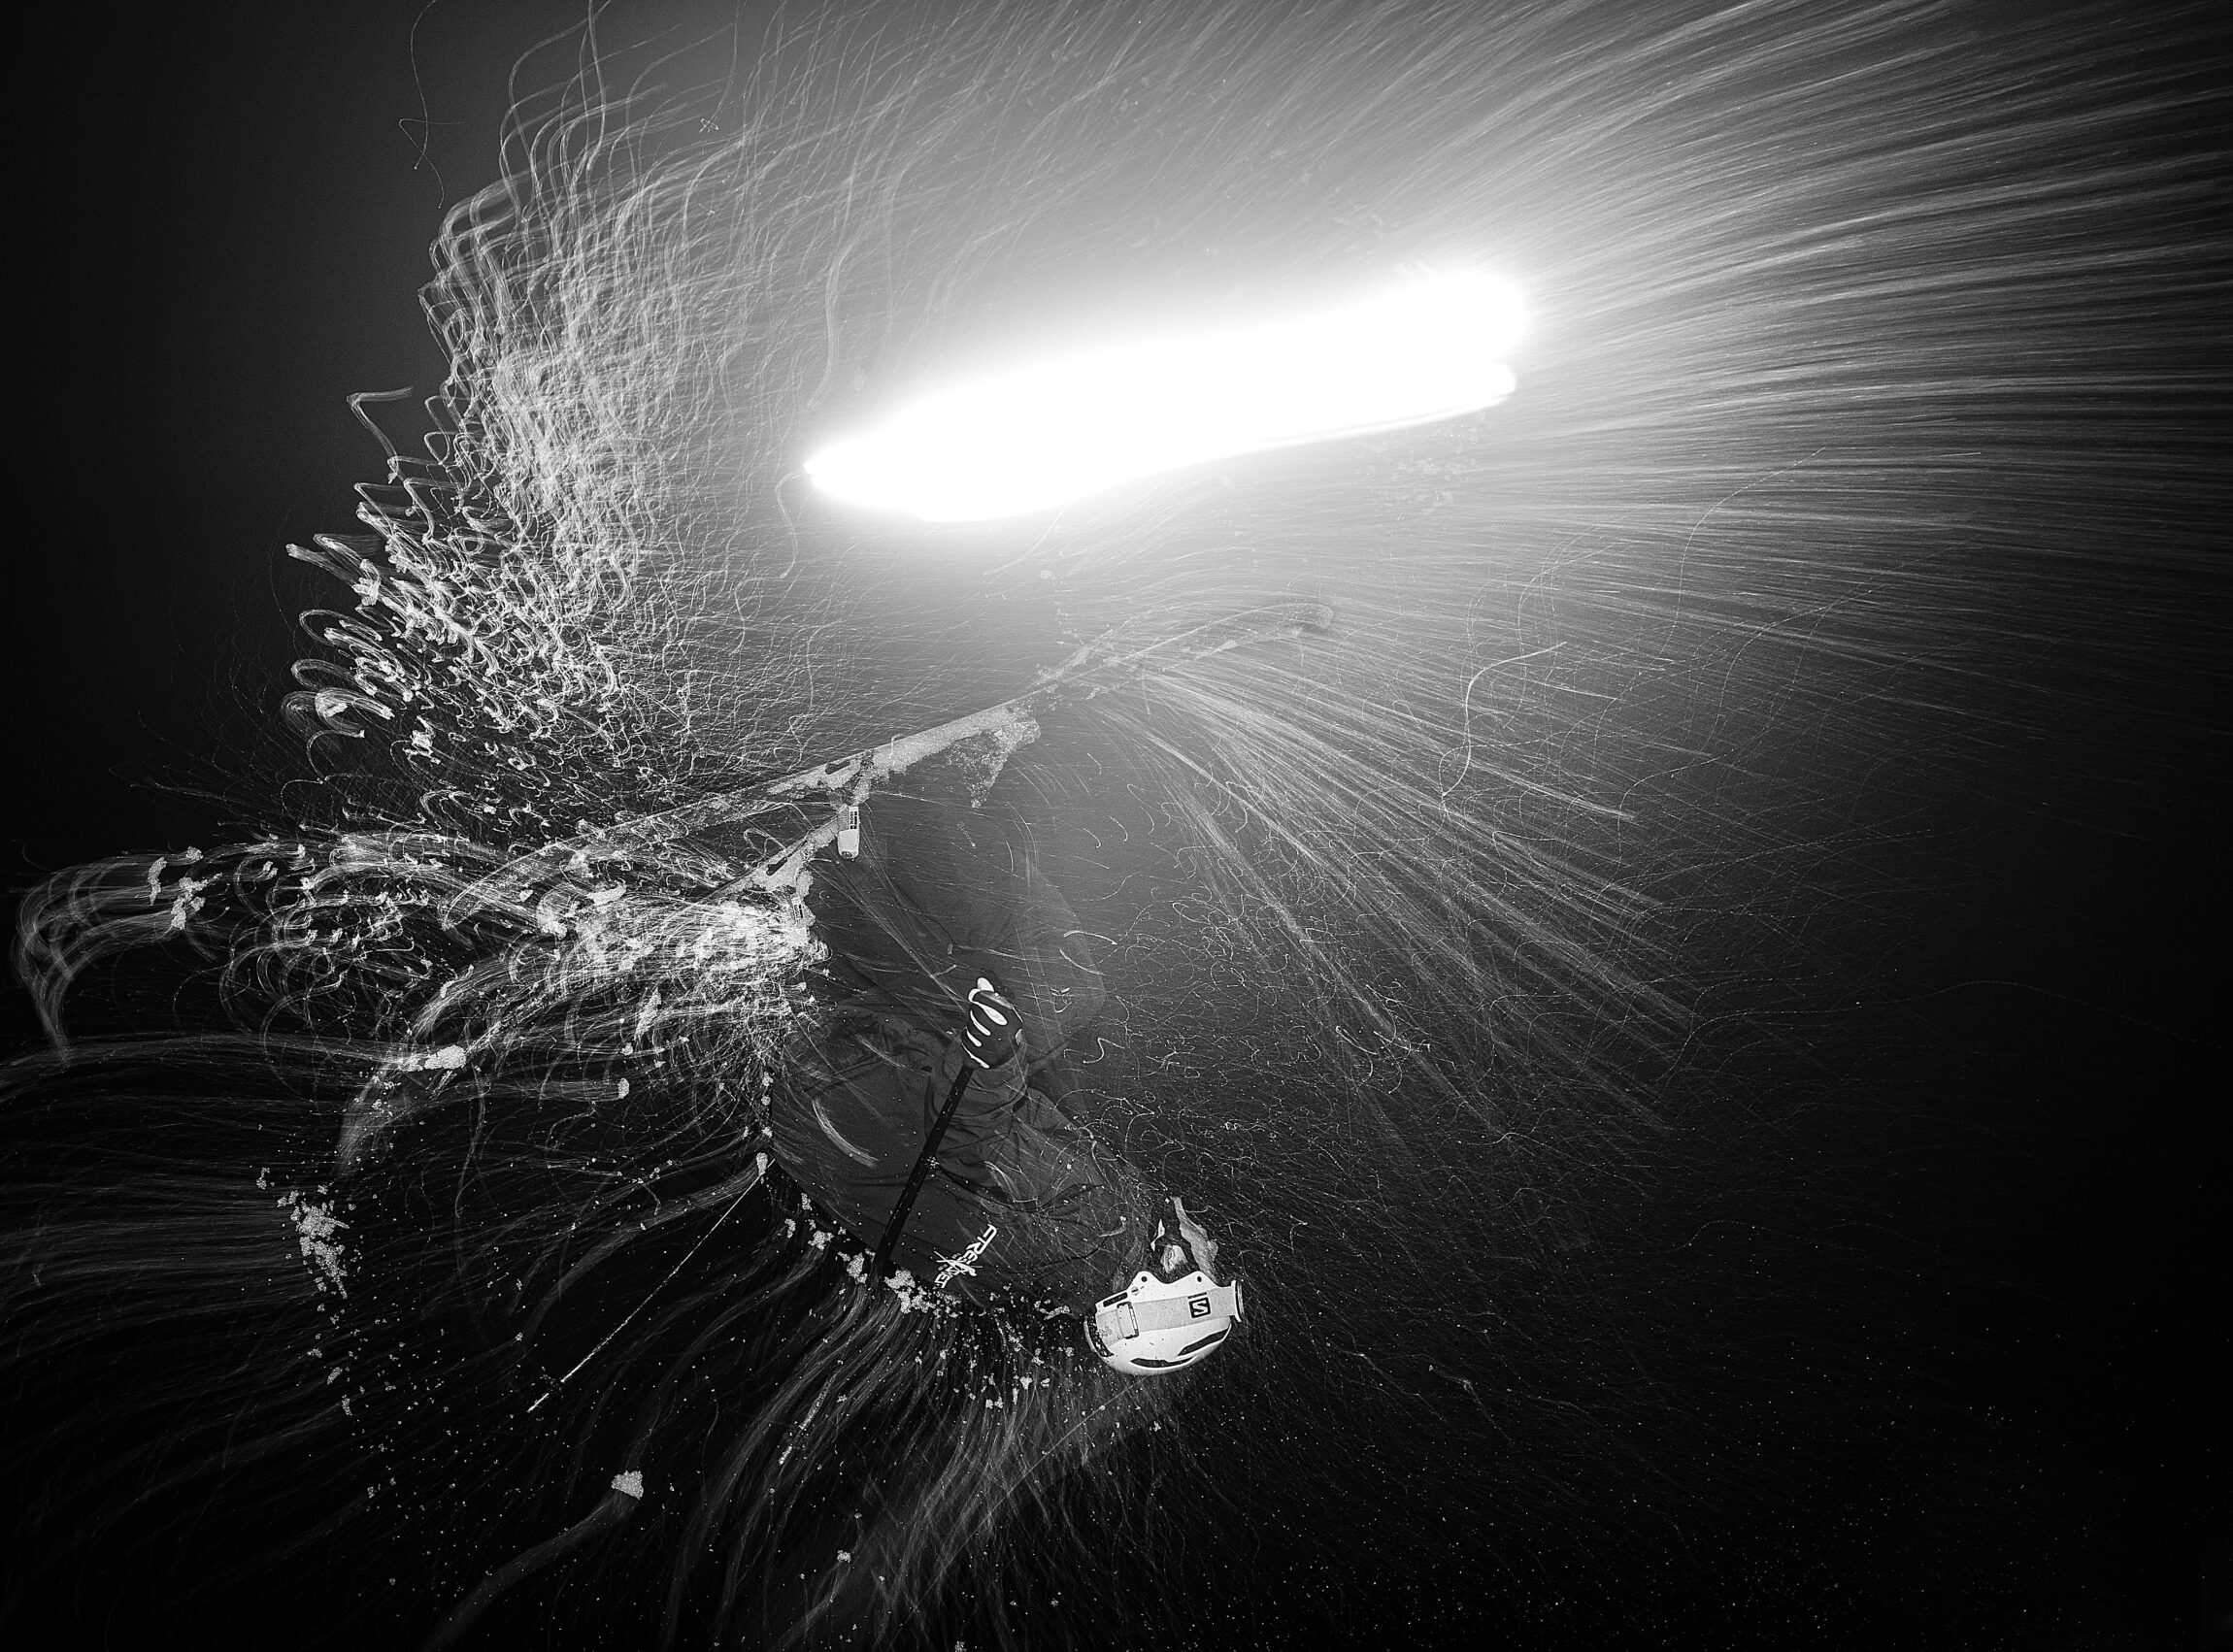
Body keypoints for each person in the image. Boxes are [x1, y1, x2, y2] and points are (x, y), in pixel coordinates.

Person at [767, 785, 1243, 1374]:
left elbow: (964, 1144)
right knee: (1054, 1009)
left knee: (1031, 994)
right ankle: (910, 848)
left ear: (1168, 1275)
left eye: (1206, 1262)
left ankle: (831, 871)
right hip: (831, 1123)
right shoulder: (1056, 1281)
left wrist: (991, 1059)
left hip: (844, 1076)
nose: (1209, 1244)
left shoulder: (1101, 1232)